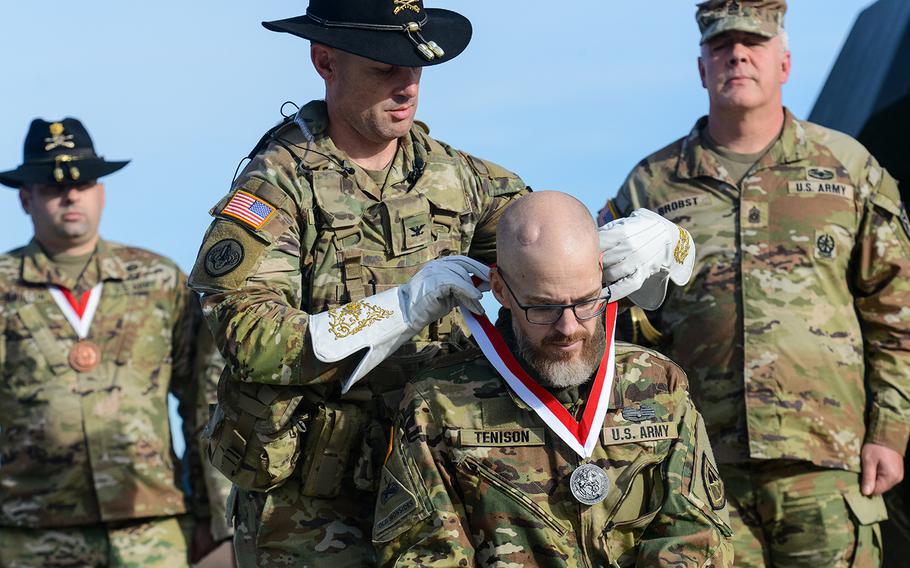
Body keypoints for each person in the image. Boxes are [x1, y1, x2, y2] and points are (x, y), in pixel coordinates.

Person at [187, 1, 695, 565]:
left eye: (416, 66)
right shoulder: (276, 191)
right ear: (325, 61)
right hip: (316, 517)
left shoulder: (459, 179)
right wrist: (399, 309)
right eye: (385, 68)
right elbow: (247, 337)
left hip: (443, 495)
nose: (407, 86)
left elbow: (550, 266)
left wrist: (666, 247)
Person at [598, 1, 910, 565]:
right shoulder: (652, 185)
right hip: (698, 463)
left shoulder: (847, 168)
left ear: (784, 62)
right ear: (702, 68)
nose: (737, 54)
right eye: (721, 46)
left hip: (825, 461)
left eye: (754, 43)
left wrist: (889, 431)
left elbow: (895, 312)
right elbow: (619, 329)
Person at [373, 191, 733, 567]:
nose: (569, 327)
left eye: (585, 301)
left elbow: (697, 535)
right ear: (500, 289)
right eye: (543, 306)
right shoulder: (440, 403)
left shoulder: (659, 384)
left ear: (599, 271)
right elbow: (426, 556)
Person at [0, 118, 228, 567]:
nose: (69, 195)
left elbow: (204, 403)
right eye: (50, 186)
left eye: (83, 184)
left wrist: (215, 516)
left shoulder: (158, 280)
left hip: (151, 528)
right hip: (29, 533)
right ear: (26, 198)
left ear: (101, 193)